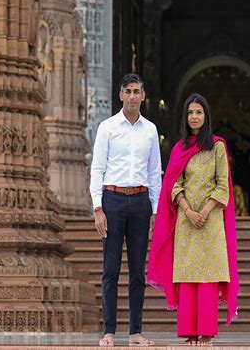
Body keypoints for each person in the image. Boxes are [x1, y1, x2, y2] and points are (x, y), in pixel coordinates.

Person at [147, 93, 239, 345]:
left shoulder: (217, 146)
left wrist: (205, 212)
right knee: (188, 275)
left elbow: (223, 186)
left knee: (208, 275)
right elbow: (174, 184)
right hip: (187, 222)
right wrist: (188, 211)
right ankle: (189, 333)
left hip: (211, 221)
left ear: (206, 116)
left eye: (199, 112)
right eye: (190, 113)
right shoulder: (180, 148)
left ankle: (207, 333)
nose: (194, 117)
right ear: (185, 118)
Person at [90, 73, 161, 347]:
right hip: (113, 199)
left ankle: (135, 332)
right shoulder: (107, 127)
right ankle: (108, 331)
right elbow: (97, 168)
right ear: (120, 95)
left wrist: (154, 209)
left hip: (141, 201)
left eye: (137, 91)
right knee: (110, 269)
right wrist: (98, 207)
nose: (132, 96)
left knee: (136, 271)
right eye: (128, 91)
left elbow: (155, 172)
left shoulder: (151, 130)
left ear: (143, 96)